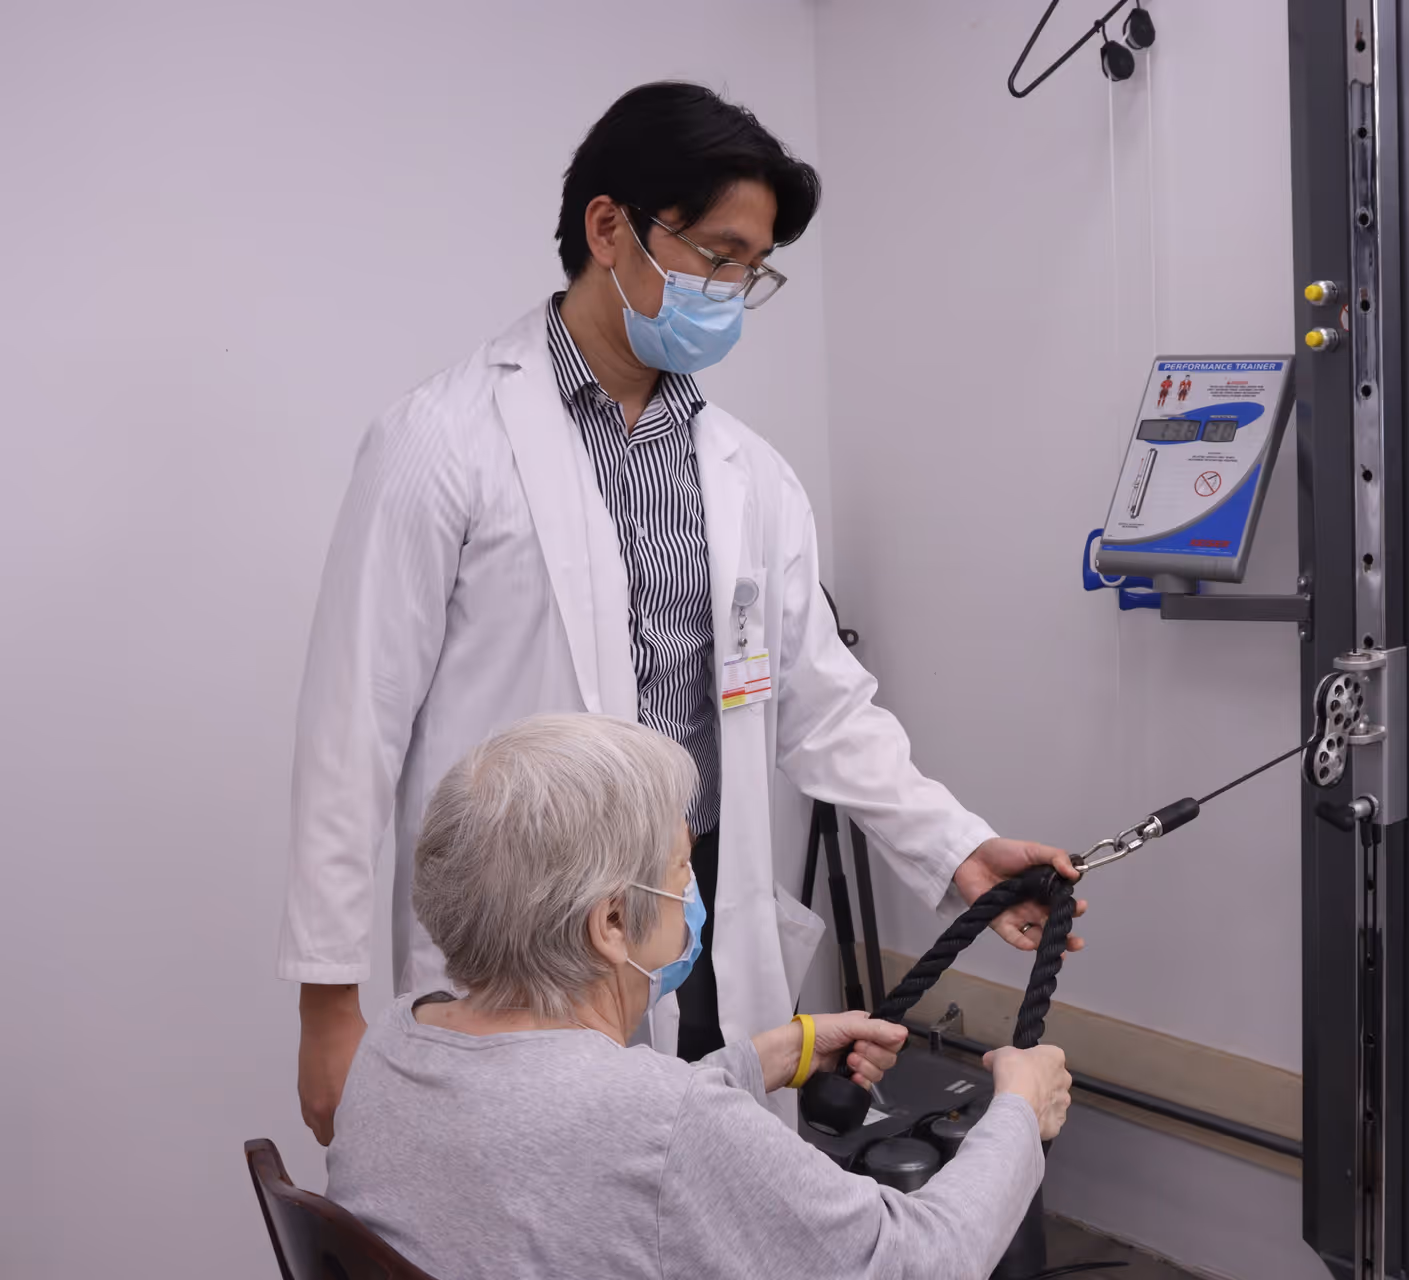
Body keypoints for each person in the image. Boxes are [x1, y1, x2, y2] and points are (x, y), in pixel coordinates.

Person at [281, 80, 1083, 1145]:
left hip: (694, 904)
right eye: (715, 253)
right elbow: (351, 734)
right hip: (525, 923)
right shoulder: (441, 442)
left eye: (754, 268)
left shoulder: (752, 476)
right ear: (609, 228)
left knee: (701, 1183)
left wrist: (957, 850)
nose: (733, 289)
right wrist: (326, 1002)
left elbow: (823, 709)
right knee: (541, 1204)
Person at [326, 714, 1074, 1280]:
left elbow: (583, 1136)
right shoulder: (662, 1120)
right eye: (682, 873)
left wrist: (772, 1055)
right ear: (614, 921)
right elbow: (922, 1261)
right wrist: (1016, 1108)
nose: (692, 894)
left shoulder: (394, 1042)